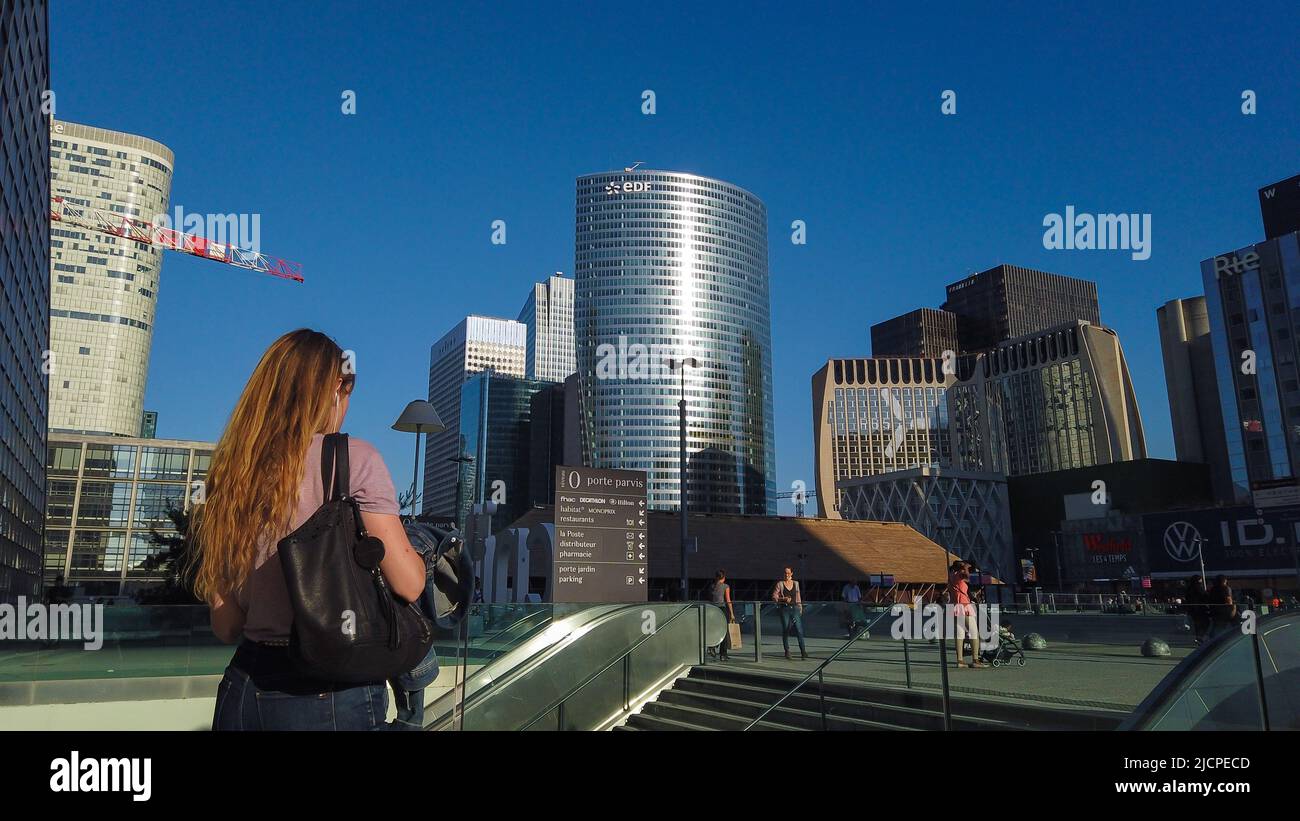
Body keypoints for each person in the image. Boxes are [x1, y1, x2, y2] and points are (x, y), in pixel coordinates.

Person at [195, 329, 427, 731]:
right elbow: (408, 584)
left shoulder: (231, 474)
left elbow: (226, 624)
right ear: (335, 387)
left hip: (245, 684)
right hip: (331, 687)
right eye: (348, 394)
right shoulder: (354, 459)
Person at [948, 561, 984, 669]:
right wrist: (966, 567)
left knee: (960, 634)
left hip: (955, 605)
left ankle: (960, 660)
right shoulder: (959, 576)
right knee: (974, 632)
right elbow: (967, 576)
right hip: (963, 605)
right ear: (961, 569)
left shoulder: (951, 577)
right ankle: (975, 659)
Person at [773, 566, 807, 660]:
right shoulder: (780, 584)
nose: (786, 575)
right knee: (786, 629)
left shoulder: (796, 583)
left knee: (799, 629)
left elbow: (798, 596)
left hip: (795, 608)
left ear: (791, 573)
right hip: (785, 609)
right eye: (785, 573)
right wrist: (783, 599)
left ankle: (803, 651)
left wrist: (800, 607)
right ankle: (787, 651)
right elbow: (774, 597)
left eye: (788, 573)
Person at [711, 570, 737, 661]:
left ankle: (712, 646)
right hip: (721, 609)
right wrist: (732, 614)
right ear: (724, 577)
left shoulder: (713, 586)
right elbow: (728, 600)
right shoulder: (726, 586)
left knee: (715, 630)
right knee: (724, 631)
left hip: (713, 610)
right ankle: (723, 654)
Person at [1185, 576, 1211, 646]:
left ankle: (1197, 638)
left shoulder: (1189, 589)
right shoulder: (1198, 588)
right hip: (1200, 610)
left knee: (1196, 625)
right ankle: (1200, 638)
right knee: (1204, 624)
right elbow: (1205, 596)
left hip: (1192, 611)